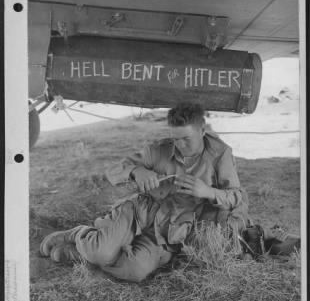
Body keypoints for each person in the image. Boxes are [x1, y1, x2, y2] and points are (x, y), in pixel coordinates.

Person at [39, 102, 299, 281]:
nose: (180, 145)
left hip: (172, 232)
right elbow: (114, 171)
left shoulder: (220, 155)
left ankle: (83, 251)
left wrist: (208, 192)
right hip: (141, 213)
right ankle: (81, 235)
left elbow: (237, 198)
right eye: (175, 138)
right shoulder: (159, 150)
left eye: (186, 138)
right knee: (101, 252)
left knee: (135, 271)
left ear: (203, 130)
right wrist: (136, 172)